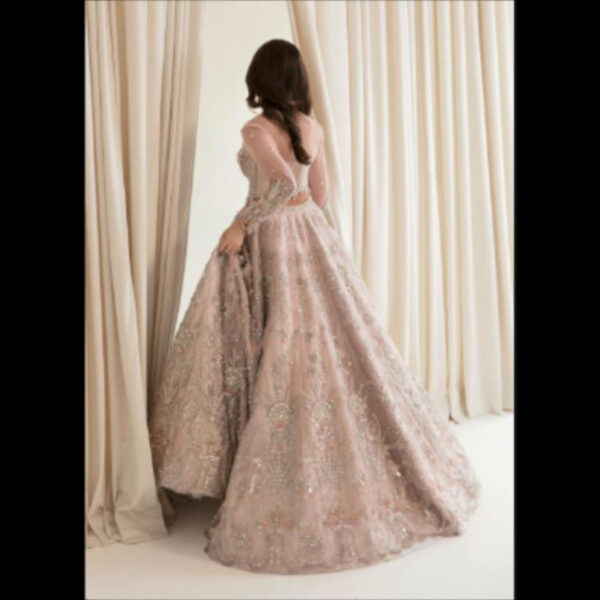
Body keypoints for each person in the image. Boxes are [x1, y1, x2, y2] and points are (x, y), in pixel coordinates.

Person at [148, 39, 481, 575]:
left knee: (280, 345)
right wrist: (287, 210)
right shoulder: (312, 126)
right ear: (297, 79)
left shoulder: (256, 129)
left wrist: (241, 225)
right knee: (325, 344)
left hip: (275, 241)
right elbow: (316, 195)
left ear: (259, 77)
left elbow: (281, 183)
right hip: (312, 234)